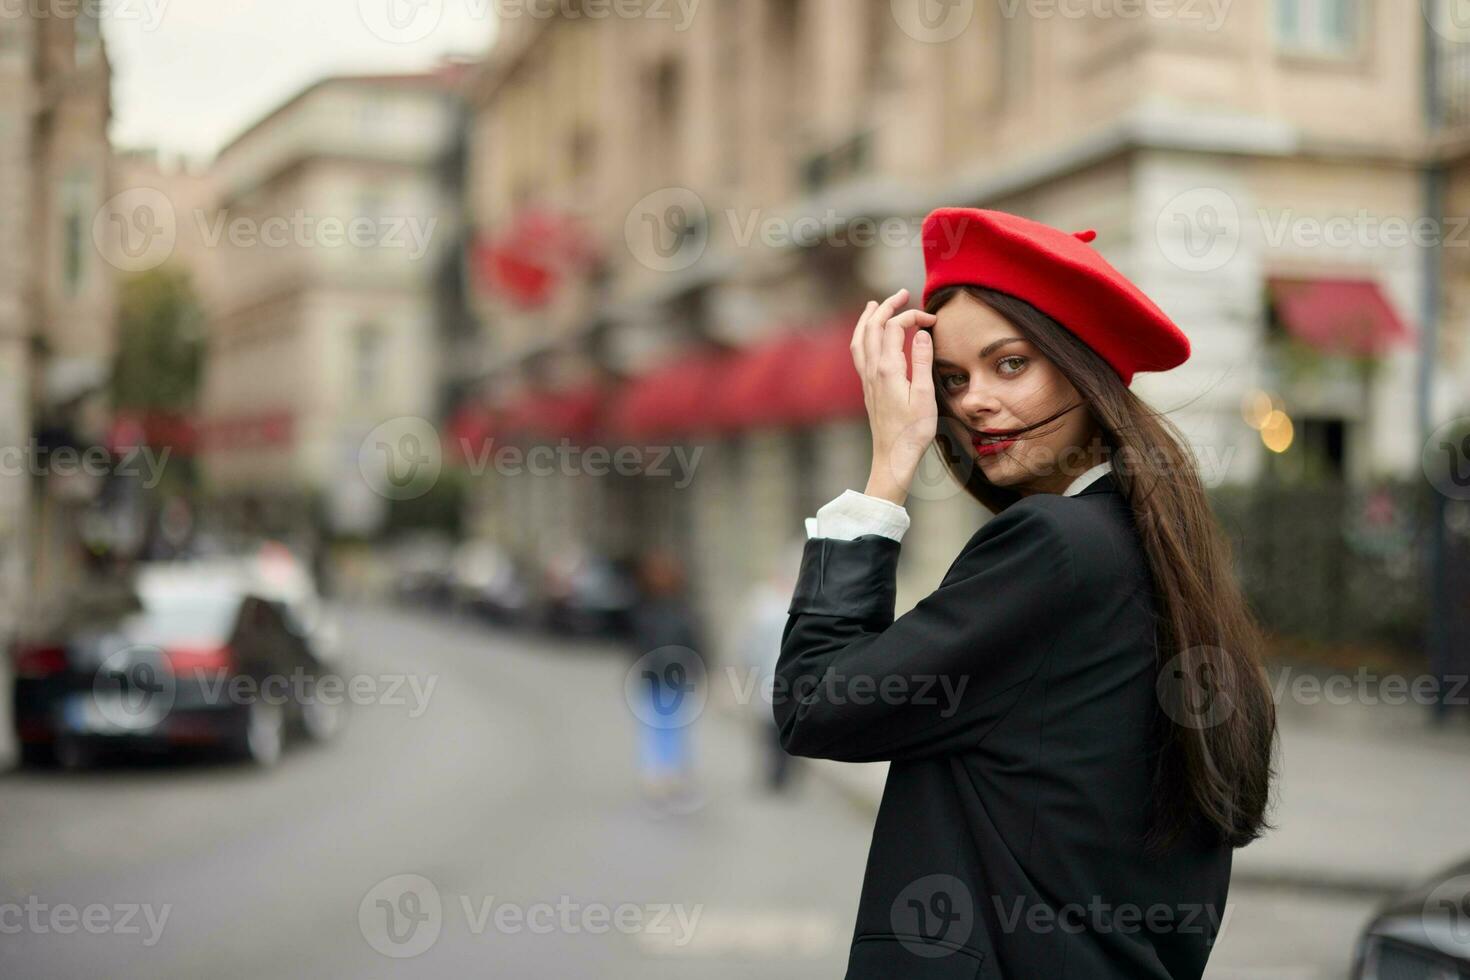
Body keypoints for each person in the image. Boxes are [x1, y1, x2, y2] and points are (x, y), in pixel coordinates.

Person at [773, 208, 1279, 979]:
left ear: (1084, 369)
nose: (973, 401)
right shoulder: (1154, 548)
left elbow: (817, 704)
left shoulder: (1058, 545)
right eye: (951, 379)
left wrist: (886, 470)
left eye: (1009, 364)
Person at [625, 548, 706, 815]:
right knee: (666, 729)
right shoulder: (674, 608)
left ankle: (661, 779)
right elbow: (694, 641)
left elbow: (639, 645)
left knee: (661, 729)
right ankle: (663, 779)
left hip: (665, 676)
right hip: (668, 676)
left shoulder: (651, 608)